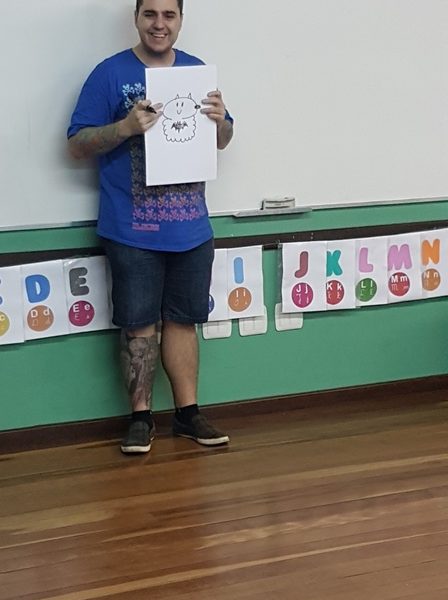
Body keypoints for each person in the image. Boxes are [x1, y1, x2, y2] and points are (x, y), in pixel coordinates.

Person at [67, 0, 233, 454]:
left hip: (191, 228)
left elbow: (223, 139)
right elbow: (77, 144)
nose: (160, 24)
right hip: (131, 228)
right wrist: (124, 127)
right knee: (138, 324)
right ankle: (141, 418)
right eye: (150, 14)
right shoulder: (108, 73)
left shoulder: (197, 72)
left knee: (184, 321)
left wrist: (221, 122)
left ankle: (187, 413)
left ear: (180, 20)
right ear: (137, 18)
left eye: (169, 15)